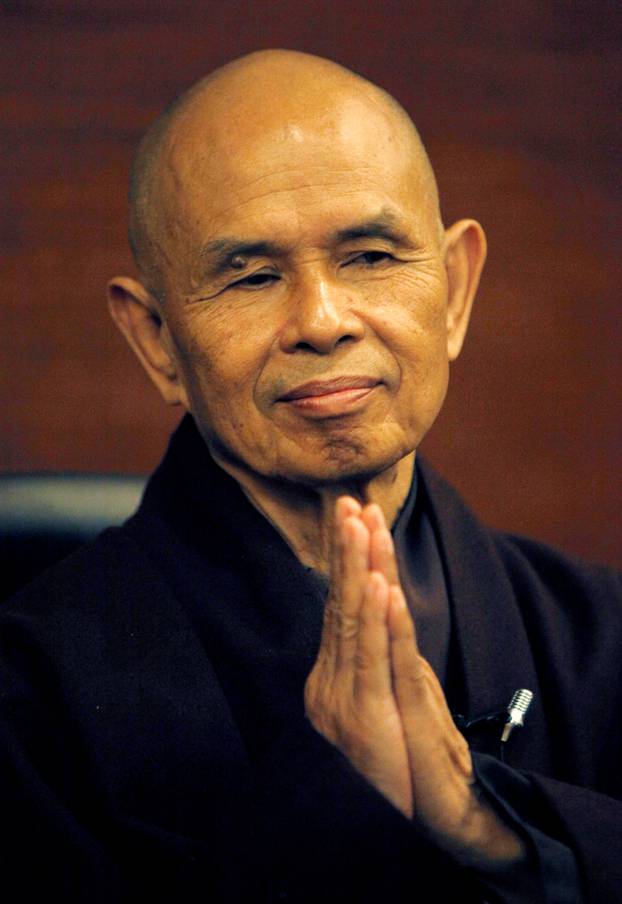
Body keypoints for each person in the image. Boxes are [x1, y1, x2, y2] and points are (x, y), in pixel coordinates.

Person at [1, 49, 620, 903]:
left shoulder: (603, 638)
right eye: (252, 277)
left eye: (369, 257)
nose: (322, 323)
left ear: (456, 292)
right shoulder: (32, 697)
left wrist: (493, 827)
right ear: (155, 341)